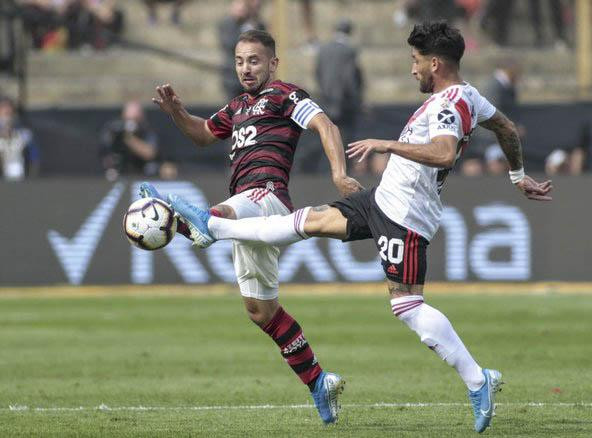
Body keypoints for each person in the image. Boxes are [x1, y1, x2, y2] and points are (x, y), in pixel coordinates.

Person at [167, 22, 553, 433]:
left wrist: (386, 144)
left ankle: (479, 381)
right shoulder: (469, 96)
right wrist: (518, 176)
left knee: (407, 307)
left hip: (404, 215)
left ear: (435, 63)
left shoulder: (447, 104)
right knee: (304, 223)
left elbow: (442, 154)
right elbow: (507, 129)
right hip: (381, 198)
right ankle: (211, 227)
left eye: (416, 62)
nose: (412, 70)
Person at [143, 29, 362, 424]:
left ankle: (194, 220)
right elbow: (202, 134)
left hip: (266, 196)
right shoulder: (237, 106)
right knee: (260, 311)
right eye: (241, 60)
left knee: (219, 215)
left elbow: (326, 126)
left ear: (273, 63)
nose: (246, 68)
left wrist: (339, 174)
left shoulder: (284, 95)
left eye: (255, 60)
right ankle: (319, 383)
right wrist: (176, 111)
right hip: (248, 213)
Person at [314, 18, 364, 173]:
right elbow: (350, 78)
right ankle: (344, 171)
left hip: (327, 101)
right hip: (345, 103)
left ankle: (326, 171)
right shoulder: (349, 50)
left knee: (327, 137)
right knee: (346, 140)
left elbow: (318, 73)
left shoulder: (323, 49)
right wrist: (356, 100)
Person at [218, 0, 266, 101]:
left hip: (253, 78)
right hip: (232, 77)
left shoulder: (257, 24)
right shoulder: (227, 24)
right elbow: (230, 44)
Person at [99, 100, 159, 181]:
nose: (131, 123)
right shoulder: (113, 129)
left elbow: (150, 153)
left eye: (135, 119)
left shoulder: (146, 131)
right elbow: (105, 151)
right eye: (129, 119)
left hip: (141, 173)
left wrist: (129, 138)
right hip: (117, 174)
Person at [0, 96, 40, 181]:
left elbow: (34, 152)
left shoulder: (23, 132)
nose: (7, 110)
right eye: (3, 107)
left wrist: (33, 169)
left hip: (16, 170)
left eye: (9, 108)